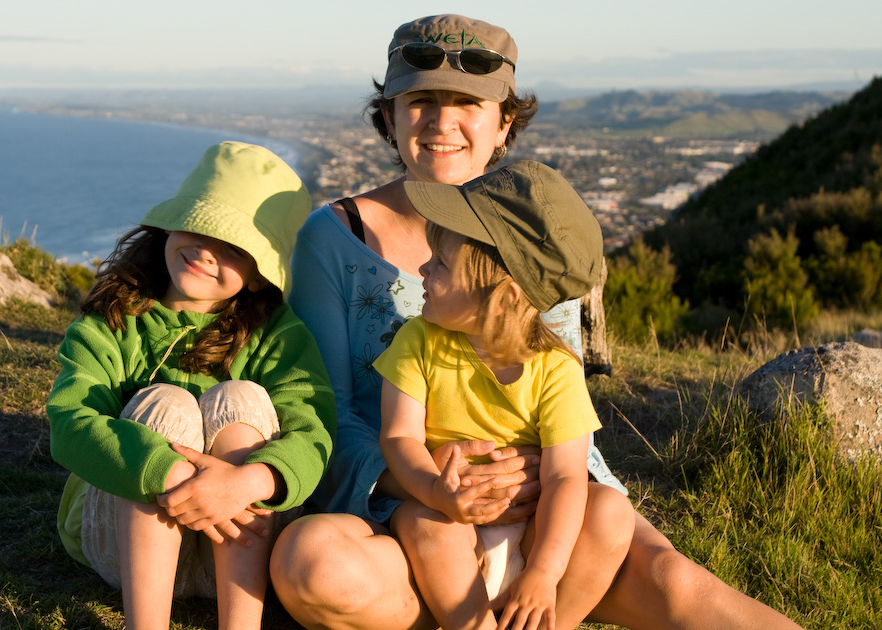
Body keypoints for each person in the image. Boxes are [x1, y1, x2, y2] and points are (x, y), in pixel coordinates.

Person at [272, 13, 804, 630]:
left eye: (467, 102)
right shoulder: (333, 239)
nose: (442, 121)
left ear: (503, 125)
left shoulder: (535, 239)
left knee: (674, 580)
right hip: (403, 517)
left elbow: (555, 388)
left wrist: (530, 482)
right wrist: (429, 482)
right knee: (315, 566)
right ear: (389, 117)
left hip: (546, 507)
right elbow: (323, 413)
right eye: (421, 100)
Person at [48, 141, 336, 630]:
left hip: (243, 542)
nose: (206, 250)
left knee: (239, 397)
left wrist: (249, 481)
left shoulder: (278, 335)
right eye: (199, 226)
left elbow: (314, 431)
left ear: (258, 274)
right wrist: (165, 472)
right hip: (128, 549)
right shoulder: (115, 320)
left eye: (233, 246)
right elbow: (70, 422)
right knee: (166, 403)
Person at [377, 161, 637, 630]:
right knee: (422, 522)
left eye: (441, 264)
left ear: (506, 296)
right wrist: (436, 492)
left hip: (530, 528)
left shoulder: (556, 369)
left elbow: (565, 478)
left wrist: (543, 571)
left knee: (612, 513)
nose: (422, 269)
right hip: (446, 523)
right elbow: (400, 439)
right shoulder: (417, 341)